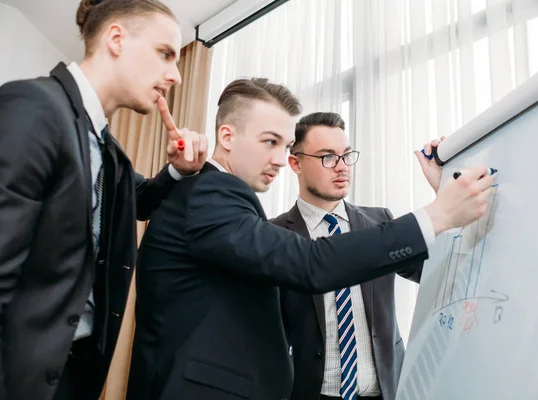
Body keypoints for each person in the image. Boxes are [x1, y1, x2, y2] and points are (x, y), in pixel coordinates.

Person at [128, 77, 493, 400]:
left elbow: (438, 273)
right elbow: (312, 263)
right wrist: (438, 212)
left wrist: (445, 198)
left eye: (282, 145)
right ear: (227, 136)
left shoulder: (377, 222)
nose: (276, 158)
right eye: (269, 142)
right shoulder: (222, 202)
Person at [0, 1, 208, 399]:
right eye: (165, 54)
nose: (176, 76)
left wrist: (180, 170)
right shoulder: (35, 107)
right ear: (116, 38)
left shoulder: (109, 150)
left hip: (74, 371)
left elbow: (139, 201)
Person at [271, 112, 444, 400]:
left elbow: (435, 271)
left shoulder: (380, 223)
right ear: (295, 163)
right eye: (328, 157)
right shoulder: (274, 234)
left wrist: (444, 190)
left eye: (347, 155)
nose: (342, 168)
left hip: (385, 392)